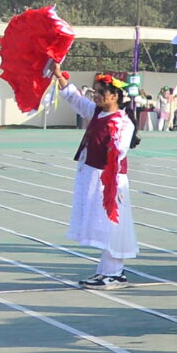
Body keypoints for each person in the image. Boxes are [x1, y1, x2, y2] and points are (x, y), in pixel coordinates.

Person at [60, 70, 139, 287]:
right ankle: (106, 271)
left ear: (114, 96)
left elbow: (119, 150)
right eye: (95, 92)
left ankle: (114, 272)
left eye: (101, 92)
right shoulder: (97, 112)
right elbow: (76, 99)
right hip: (93, 175)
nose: (96, 96)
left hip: (111, 180)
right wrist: (59, 76)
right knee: (104, 223)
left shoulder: (122, 121)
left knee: (113, 224)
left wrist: (113, 146)